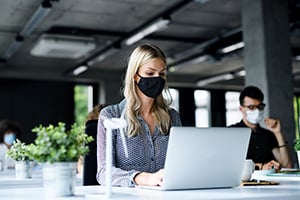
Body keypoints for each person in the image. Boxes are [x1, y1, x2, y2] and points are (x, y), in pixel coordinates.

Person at [96, 44, 182, 187]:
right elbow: (104, 173)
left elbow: (181, 165)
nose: (157, 79)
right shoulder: (111, 116)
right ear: (135, 76)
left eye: (161, 74)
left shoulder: (172, 117)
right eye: (150, 73)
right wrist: (144, 179)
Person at [229, 86, 292, 170]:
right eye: (251, 107)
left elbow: (287, 166)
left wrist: (278, 133)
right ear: (241, 109)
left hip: (269, 182)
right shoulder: (231, 133)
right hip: (242, 182)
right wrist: (261, 167)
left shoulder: (268, 135)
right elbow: (229, 165)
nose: (257, 111)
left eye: (260, 106)